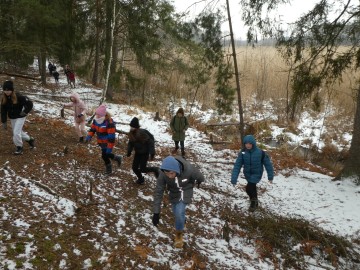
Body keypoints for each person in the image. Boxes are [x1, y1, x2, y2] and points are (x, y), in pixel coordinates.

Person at [152, 155, 204, 248]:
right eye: (167, 174)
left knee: (179, 212)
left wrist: (199, 181)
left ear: (177, 170)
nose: (169, 176)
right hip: (173, 193)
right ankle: (182, 220)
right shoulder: (163, 174)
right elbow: (158, 192)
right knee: (177, 212)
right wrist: (156, 212)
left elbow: (200, 176)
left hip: (186, 190)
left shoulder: (189, 169)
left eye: (172, 173)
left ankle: (179, 235)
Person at [231, 134, 274, 212]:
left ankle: (253, 203)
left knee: (248, 188)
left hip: (257, 174)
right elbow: (237, 165)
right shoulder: (243, 153)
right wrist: (234, 178)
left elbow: (268, 165)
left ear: (253, 144)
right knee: (252, 188)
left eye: (250, 143)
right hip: (247, 174)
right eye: (246, 143)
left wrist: (270, 176)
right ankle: (254, 201)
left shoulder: (261, 153)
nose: (248, 145)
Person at [85, 104, 122, 175]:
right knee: (107, 155)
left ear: (104, 115)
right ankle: (117, 158)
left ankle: (109, 169)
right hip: (101, 142)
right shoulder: (96, 120)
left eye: (99, 115)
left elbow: (111, 137)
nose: (97, 116)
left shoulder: (109, 123)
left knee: (104, 156)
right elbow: (92, 129)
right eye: (96, 114)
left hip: (107, 142)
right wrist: (88, 137)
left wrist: (109, 148)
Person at [1, 80, 35, 155]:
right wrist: (4, 121)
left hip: (20, 116)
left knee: (16, 132)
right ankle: (30, 139)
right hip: (12, 117)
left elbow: (30, 103)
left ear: (12, 90)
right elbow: (3, 111)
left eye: (8, 90)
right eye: (5, 90)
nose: (7, 92)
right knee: (18, 132)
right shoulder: (4, 98)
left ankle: (19, 147)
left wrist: (25, 112)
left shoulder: (19, 96)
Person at [126, 117, 159, 185]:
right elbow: (130, 143)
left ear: (136, 127)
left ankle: (155, 169)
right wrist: (129, 151)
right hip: (138, 153)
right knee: (134, 168)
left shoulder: (142, 133)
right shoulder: (131, 133)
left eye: (133, 126)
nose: (131, 128)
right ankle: (141, 179)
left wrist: (152, 152)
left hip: (145, 153)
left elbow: (150, 142)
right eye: (131, 126)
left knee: (142, 169)